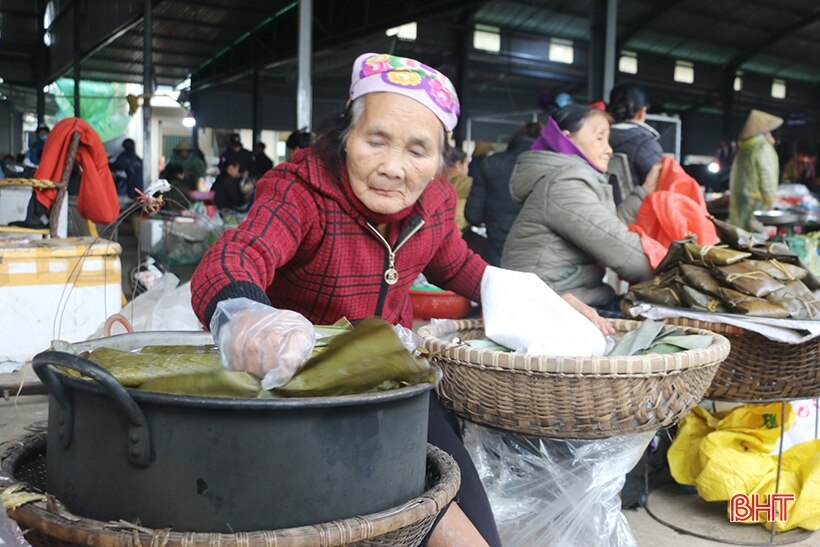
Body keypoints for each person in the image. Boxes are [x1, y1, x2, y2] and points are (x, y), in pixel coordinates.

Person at [191, 52, 611, 547]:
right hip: (296, 396)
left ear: (440, 160)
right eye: (376, 140)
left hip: (396, 391)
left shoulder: (432, 206)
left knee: (476, 533)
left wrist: (546, 304)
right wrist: (247, 316)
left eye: (418, 150)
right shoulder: (300, 192)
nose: (393, 168)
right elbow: (235, 257)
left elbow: (463, 268)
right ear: (347, 134)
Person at [502, 104, 659, 307]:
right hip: (546, 306)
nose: (609, 150)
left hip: (565, 297)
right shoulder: (565, 185)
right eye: (600, 138)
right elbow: (633, 260)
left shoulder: (568, 180)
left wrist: (644, 192)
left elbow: (606, 230)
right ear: (567, 138)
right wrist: (675, 264)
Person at [465, 122, 543, 266]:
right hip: (540, 258)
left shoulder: (490, 163)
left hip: (496, 254)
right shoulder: (552, 169)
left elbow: (473, 215)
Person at [728, 109, 783, 232]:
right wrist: (770, 199)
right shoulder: (762, 147)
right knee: (754, 237)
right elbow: (766, 174)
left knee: (740, 233)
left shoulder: (744, 148)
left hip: (741, 199)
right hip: (756, 201)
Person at [606, 83, 664, 186]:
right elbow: (663, 185)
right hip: (634, 202)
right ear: (642, 111)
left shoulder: (595, 139)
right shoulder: (645, 145)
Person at [443, 147, 472, 231]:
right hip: (457, 230)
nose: (467, 169)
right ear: (458, 164)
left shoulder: (434, 180)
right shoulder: (465, 183)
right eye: (467, 165)